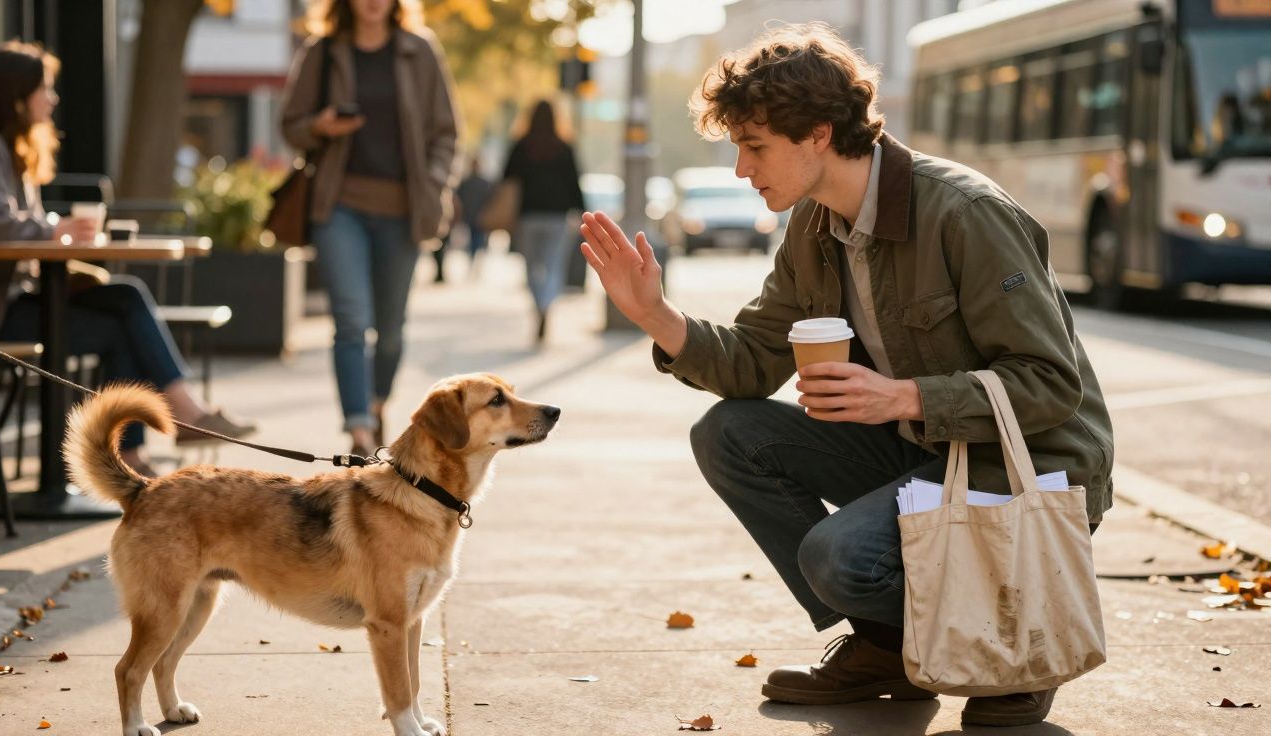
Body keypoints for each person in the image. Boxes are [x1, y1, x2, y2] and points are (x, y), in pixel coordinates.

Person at [579, 24, 1113, 728]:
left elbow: (1049, 384)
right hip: (927, 453)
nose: (742, 169)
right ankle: (888, 647)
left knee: (837, 556)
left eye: (755, 146)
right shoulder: (812, 228)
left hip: (1028, 466)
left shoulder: (964, 212)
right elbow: (750, 362)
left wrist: (906, 396)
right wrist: (654, 314)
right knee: (731, 433)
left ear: (820, 134)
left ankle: (1012, 634)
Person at [0, 42, 256, 477]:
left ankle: (145, 450)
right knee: (121, 319)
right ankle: (166, 432)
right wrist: (55, 230)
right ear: (16, 95)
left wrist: (57, 229)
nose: (53, 99)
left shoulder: (12, 150)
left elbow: (21, 223)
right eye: (46, 88)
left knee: (124, 301)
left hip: (15, 301)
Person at [280, 0, 460, 454]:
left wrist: (433, 180)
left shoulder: (419, 51)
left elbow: (446, 132)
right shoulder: (322, 51)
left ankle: (377, 403)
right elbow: (290, 125)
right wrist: (320, 126)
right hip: (340, 207)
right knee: (351, 321)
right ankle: (359, 429)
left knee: (391, 328)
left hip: (403, 209)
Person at [502, 100, 585, 343]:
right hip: (557, 217)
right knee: (553, 265)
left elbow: (506, 178)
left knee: (531, 267)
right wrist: (582, 212)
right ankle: (546, 304)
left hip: (527, 216)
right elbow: (574, 182)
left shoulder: (521, 146)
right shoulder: (564, 147)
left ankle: (538, 303)